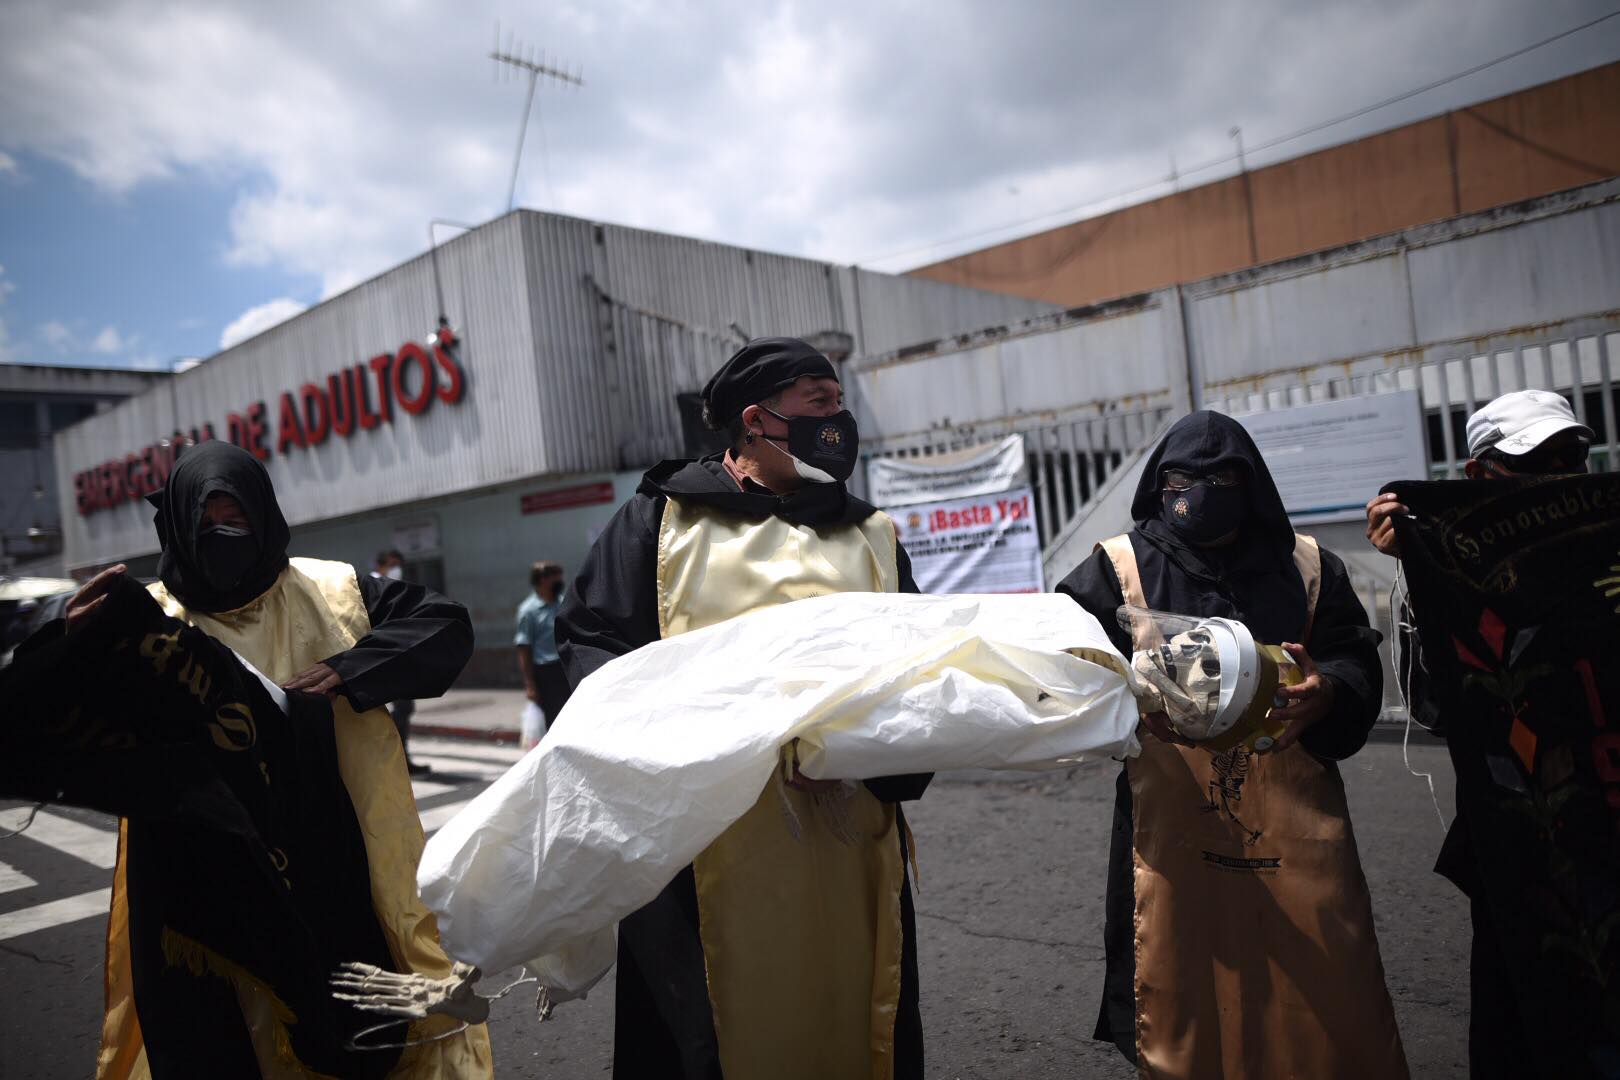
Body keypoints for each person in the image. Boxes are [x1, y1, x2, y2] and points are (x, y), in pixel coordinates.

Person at [556, 336, 931, 1080]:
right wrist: (682, 740)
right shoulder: (661, 525)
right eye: (818, 404)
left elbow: (917, 673)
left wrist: (870, 751)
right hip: (702, 849)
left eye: (840, 404)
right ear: (756, 422)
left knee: (852, 1020)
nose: (839, 419)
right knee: (707, 1041)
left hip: (844, 840)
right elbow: (593, 641)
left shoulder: (871, 535)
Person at [78, 441, 492, 1079]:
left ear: (264, 515)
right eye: (208, 518)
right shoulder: (148, 615)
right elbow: (77, 723)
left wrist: (346, 669)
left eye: (236, 517)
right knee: (222, 1024)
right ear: (181, 523)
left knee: (352, 1016)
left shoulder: (334, 591)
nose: (224, 532)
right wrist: (71, 641)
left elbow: (445, 624)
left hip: (337, 845)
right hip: (201, 866)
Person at [1058, 410, 1407, 1078]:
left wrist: (1328, 689)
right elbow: (1065, 666)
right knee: (1186, 1009)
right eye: (1182, 479)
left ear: (1249, 485)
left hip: (1299, 837)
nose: (1199, 491)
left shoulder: (1306, 567)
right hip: (1171, 841)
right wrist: (1127, 704)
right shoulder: (1119, 567)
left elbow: (1353, 658)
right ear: (1160, 487)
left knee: (1322, 1011)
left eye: (1220, 478)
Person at [1366, 388, 1594, 1079]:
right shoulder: (1454, 574)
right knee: (1527, 1007)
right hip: (1522, 835)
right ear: (1478, 478)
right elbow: (1439, 708)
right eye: (1534, 463)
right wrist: (1429, 579)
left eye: (1569, 461)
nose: (1556, 480)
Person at [372, 548, 429, 775]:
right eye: (393, 563)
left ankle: (400, 757)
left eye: (399, 564)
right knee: (399, 707)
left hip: (400, 653)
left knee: (404, 707)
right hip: (385, 656)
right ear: (381, 564)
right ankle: (396, 759)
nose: (397, 568)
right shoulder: (372, 586)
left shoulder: (394, 586)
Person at [514, 560, 568, 748]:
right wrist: (530, 683)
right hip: (546, 673)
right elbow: (524, 648)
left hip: (566, 667)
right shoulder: (528, 611)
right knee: (553, 721)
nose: (560, 579)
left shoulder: (563, 603)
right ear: (542, 580)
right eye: (555, 575)